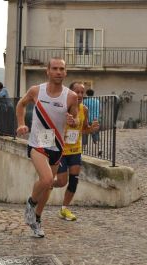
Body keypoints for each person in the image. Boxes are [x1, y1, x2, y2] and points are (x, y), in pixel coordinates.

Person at [16, 57, 79, 238]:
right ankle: (30, 204)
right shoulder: (36, 91)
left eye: (62, 69)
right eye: (55, 68)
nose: (58, 72)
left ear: (65, 72)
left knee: (49, 185)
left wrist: (72, 120)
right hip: (37, 143)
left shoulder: (71, 96)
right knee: (46, 179)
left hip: (57, 145)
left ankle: (36, 219)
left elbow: (75, 119)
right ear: (48, 71)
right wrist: (21, 123)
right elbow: (21, 104)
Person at [54, 82, 99, 221]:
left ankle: (64, 209)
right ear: (70, 93)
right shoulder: (62, 108)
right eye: (77, 92)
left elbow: (83, 128)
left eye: (82, 92)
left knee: (74, 181)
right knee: (62, 181)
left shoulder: (84, 109)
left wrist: (91, 129)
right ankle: (48, 183)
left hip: (75, 150)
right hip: (60, 150)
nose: (79, 95)